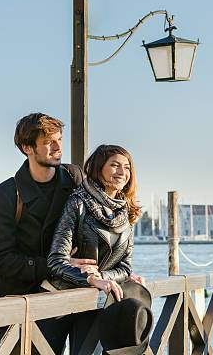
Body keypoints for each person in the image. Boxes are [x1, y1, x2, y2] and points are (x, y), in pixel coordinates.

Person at [0, 113, 93, 354]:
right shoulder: (5, 194)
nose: (57, 148)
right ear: (27, 147)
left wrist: (121, 271)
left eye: (59, 140)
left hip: (66, 299)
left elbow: (98, 227)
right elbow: (2, 260)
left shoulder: (75, 178)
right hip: (15, 306)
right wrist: (58, 265)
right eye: (48, 142)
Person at [47, 144, 144, 352]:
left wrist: (102, 277)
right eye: (115, 165)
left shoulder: (126, 212)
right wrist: (90, 279)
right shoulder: (77, 202)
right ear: (99, 168)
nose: (122, 172)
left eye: (127, 167)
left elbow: (125, 267)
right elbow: (55, 260)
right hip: (60, 301)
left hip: (96, 304)